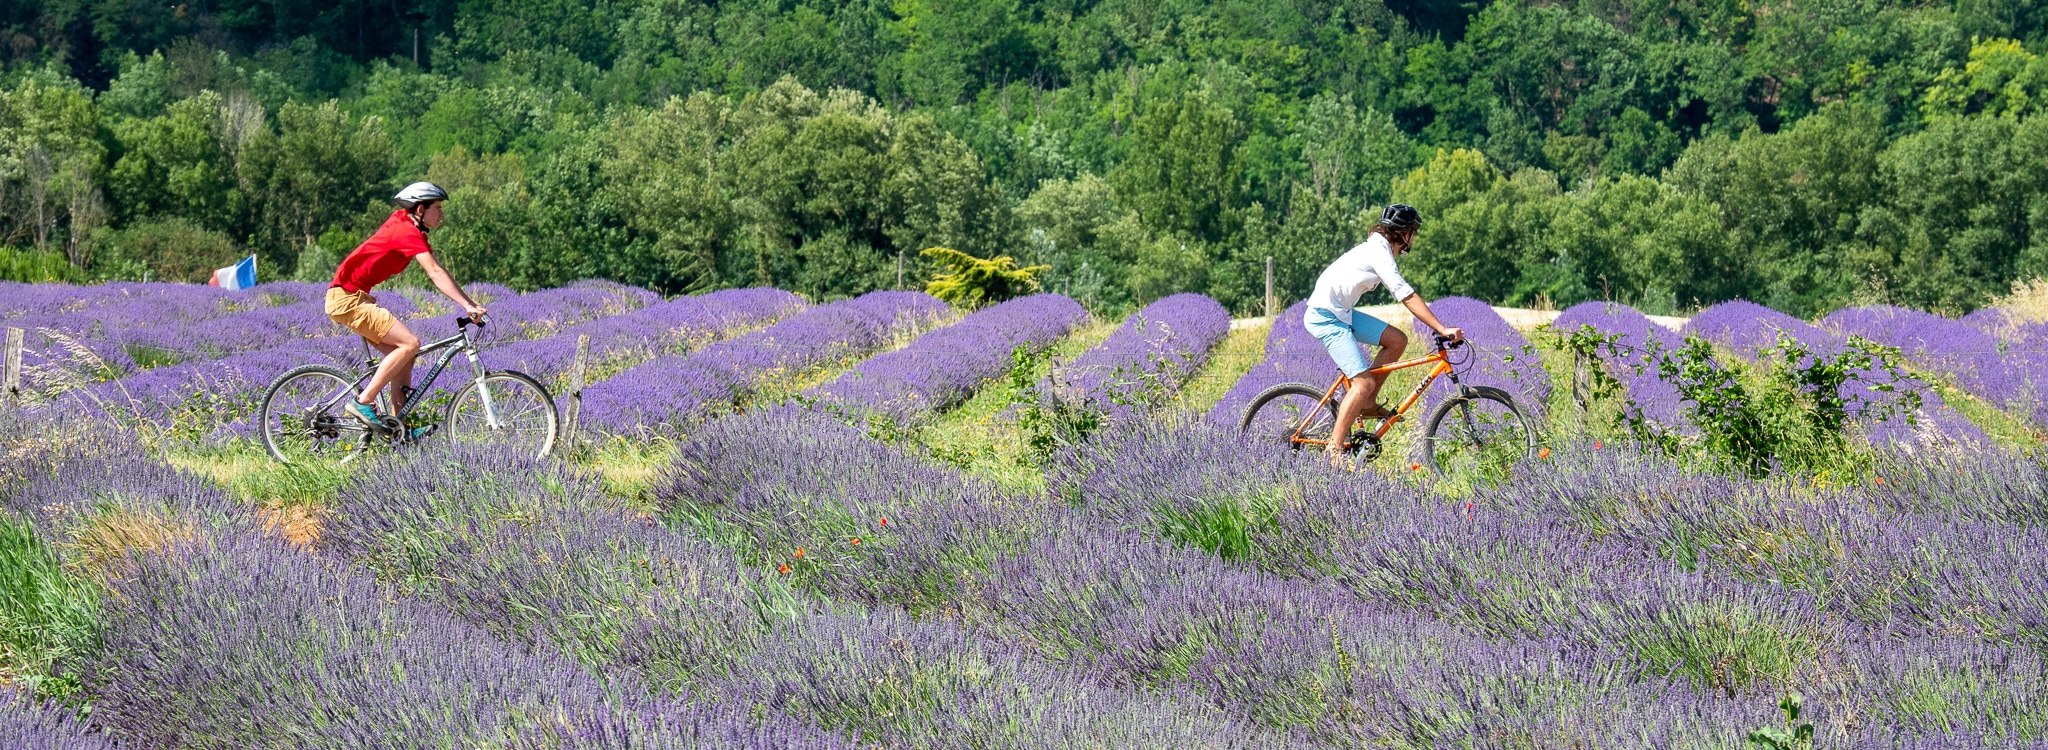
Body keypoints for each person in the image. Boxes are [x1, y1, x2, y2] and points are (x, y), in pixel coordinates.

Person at [324, 181, 487, 437]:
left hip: (356, 298)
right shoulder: (406, 231)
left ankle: (398, 428)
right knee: (410, 343)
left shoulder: (409, 226)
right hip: (347, 299)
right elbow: (433, 272)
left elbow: (439, 269)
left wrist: (470, 303)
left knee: (406, 356)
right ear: (420, 209)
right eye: (438, 208)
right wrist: (467, 305)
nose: (442, 213)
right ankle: (363, 402)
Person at [1304, 203, 1462, 465]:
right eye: (1414, 232)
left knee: (1396, 340)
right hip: (1326, 316)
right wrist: (1442, 328)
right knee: (1362, 383)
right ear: (1404, 233)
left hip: (1340, 311)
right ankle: (1332, 452)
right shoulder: (1380, 252)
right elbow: (1405, 294)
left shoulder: (1380, 247)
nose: (1414, 238)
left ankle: (1367, 404)